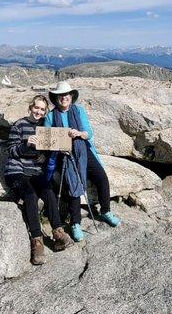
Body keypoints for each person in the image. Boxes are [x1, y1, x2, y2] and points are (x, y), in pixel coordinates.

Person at [44, 81, 121, 242]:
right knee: (73, 184)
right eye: (60, 95)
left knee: (101, 177)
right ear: (56, 98)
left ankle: (105, 211)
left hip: (82, 149)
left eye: (66, 94)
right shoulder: (51, 116)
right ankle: (75, 223)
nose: (64, 98)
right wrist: (59, 148)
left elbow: (89, 133)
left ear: (71, 96)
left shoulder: (79, 111)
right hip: (63, 154)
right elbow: (48, 140)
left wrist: (79, 133)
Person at [4, 94, 74, 265]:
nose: (38, 111)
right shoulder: (19, 125)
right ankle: (37, 241)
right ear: (30, 107)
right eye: (36, 107)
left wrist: (51, 152)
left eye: (42, 109)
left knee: (48, 191)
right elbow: (11, 151)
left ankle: (58, 233)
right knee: (29, 195)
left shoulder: (45, 126)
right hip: (16, 171)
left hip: (35, 171)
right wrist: (26, 144)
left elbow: (50, 147)